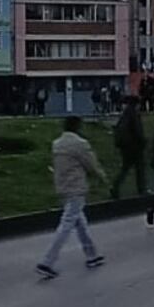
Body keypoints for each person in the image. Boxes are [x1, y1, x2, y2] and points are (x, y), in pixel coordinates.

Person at [36, 117, 107, 280]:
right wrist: (102, 178)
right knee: (67, 224)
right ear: (77, 127)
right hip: (76, 187)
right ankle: (47, 262)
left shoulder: (57, 144)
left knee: (79, 222)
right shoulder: (80, 144)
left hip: (62, 187)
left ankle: (92, 255)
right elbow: (92, 165)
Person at [110, 96, 147, 200]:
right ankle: (142, 190)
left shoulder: (125, 114)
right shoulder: (134, 114)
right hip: (134, 146)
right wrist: (143, 141)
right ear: (136, 104)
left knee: (125, 168)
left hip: (125, 146)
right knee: (140, 168)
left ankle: (115, 187)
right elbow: (138, 130)